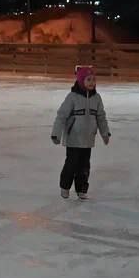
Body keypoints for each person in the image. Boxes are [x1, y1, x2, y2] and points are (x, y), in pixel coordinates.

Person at [51, 65, 111, 200]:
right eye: (88, 79)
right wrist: (56, 133)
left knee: (84, 167)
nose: (92, 83)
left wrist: (105, 133)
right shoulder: (72, 97)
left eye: (93, 80)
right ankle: (65, 187)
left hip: (88, 139)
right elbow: (61, 116)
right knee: (71, 164)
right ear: (81, 81)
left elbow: (101, 117)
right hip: (73, 138)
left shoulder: (97, 98)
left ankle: (81, 189)